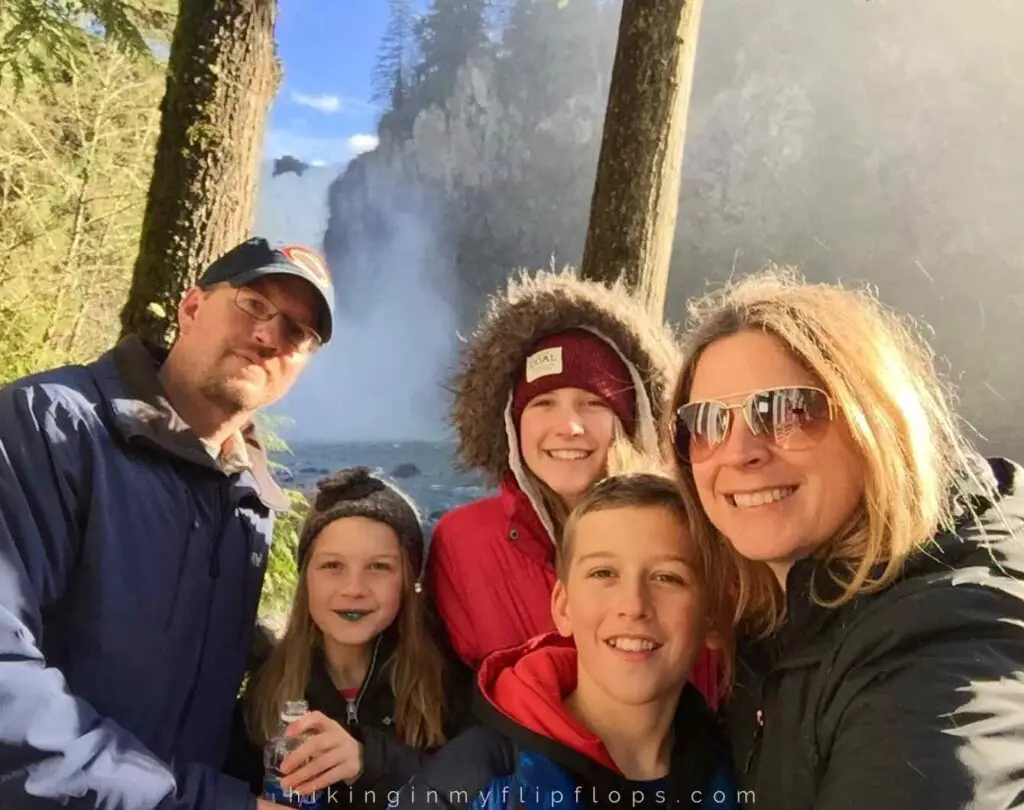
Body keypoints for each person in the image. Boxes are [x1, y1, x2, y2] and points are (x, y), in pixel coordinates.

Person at [668, 266, 1024, 809]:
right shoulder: (783, 612)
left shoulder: (938, 641)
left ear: (874, 421)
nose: (739, 452)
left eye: (785, 410)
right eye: (709, 422)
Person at [0, 237, 335, 810]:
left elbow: (187, 700)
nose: (270, 336)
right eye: (255, 304)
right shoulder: (48, 427)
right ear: (192, 306)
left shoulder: (249, 504)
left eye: (299, 333)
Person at [428, 269, 720, 706]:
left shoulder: (698, 530)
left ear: (633, 420)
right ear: (511, 425)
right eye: (543, 403)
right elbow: (444, 696)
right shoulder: (462, 543)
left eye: (593, 403)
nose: (567, 426)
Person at [388, 472, 737, 810]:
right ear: (564, 606)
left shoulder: (741, 771)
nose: (633, 606)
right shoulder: (479, 781)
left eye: (667, 577)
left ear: (712, 619)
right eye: (604, 573)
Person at [223, 467, 474, 808]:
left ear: (408, 580)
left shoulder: (448, 684)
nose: (354, 589)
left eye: (379, 567)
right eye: (332, 566)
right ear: (305, 578)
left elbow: (477, 797)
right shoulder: (265, 687)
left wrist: (369, 762)